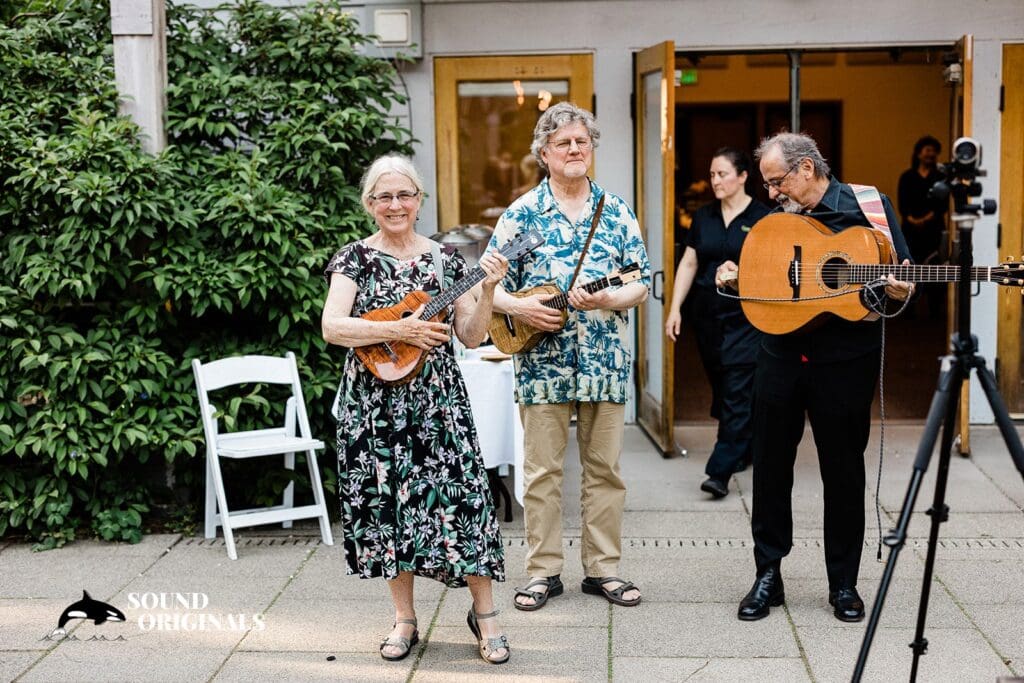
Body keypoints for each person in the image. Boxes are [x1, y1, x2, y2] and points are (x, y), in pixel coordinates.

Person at [715, 132, 914, 623]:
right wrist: (735, 276)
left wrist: (897, 291)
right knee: (770, 465)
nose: (771, 192)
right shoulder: (774, 215)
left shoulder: (869, 206)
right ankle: (767, 575)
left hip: (847, 360)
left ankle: (843, 582)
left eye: (776, 181)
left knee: (843, 470)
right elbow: (763, 275)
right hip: (779, 354)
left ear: (807, 169)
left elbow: (903, 287)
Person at [322, 154, 511, 664]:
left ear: (420, 200)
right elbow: (334, 326)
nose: (395, 204)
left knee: (466, 500)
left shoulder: (448, 261)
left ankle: (486, 615)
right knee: (390, 508)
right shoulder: (354, 259)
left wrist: (488, 287)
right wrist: (398, 329)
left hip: (438, 404)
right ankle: (404, 619)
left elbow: (470, 335)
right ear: (369, 204)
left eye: (404, 194)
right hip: (374, 404)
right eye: (384, 196)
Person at [484, 102, 651, 612]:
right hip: (541, 365)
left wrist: (607, 298)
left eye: (582, 141)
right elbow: (490, 289)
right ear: (544, 154)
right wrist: (524, 309)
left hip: (604, 360)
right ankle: (541, 572)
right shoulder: (522, 215)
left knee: (605, 471)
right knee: (541, 473)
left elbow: (641, 284)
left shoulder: (617, 210)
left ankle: (604, 570)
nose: (575, 150)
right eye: (564, 143)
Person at [664, 147, 770, 499]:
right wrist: (675, 308)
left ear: (742, 177)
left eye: (722, 174)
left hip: (747, 315)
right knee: (725, 386)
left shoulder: (763, 217)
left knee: (738, 387)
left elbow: (773, 268)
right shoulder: (705, 216)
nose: (715, 181)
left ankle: (720, 470)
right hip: (708, 316)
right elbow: (690, 263)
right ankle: (746, 446)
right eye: (711, 175)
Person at [897, 135, 946, 265]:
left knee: (933, 265)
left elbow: (942, 205)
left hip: (933, 229)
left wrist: (925, 220)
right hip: (910, 230)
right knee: (911, 263)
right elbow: (902, 204)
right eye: (928, 150)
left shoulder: (940, 177)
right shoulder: (907, 177)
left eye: (934, 151)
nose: (931, 154)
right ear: (919, 154)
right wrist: (913, 220)